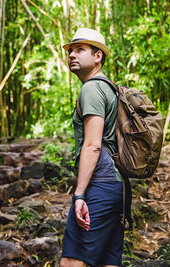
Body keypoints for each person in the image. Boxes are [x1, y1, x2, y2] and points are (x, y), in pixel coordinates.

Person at [60, 28, 126, 267]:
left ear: (98, 56)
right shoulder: (109, 87)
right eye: (70, 51)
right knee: (107, 261)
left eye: (80, 50)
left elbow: (92, 145)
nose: (72, 55)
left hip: (100, 184)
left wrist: (79, 194)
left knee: (71, 261)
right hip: (118, 186)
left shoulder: (91, 88)